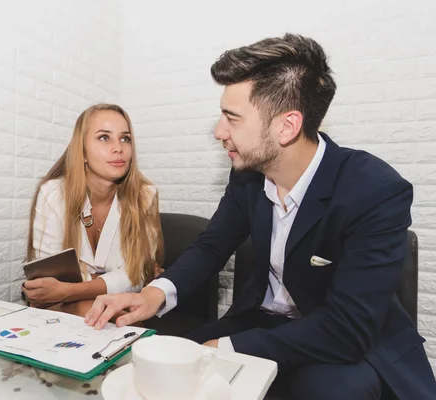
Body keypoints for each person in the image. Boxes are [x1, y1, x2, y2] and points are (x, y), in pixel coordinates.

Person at [84, 34, 436, 399]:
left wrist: (226, 347)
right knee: (167, 360)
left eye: (231, 118)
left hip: (346, 340)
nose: (219, 132)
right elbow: (211, 246)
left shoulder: (375, 189)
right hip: (265, 319)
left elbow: (347, 329)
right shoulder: (247, 177)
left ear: (287, 126)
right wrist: (153, 296)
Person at [22, 103, 164, 318]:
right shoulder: (54, 194)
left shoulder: (145, 196)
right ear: (82, 151)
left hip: (116, 311)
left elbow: (136, 279)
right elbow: (47, 282)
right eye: (104, 137)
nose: (118, 148)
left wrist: (70, 290)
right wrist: (115, 281)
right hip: (61, 314)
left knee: (118, 312)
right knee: (110, 311)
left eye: (125, 138)